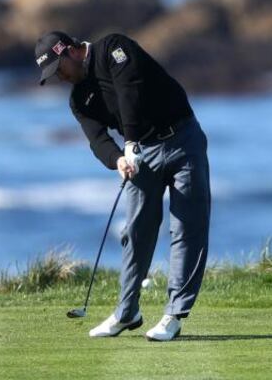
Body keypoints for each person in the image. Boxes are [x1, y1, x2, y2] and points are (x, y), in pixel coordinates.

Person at [34, 30, 211, 342]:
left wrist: (129, 141)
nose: (60, 78)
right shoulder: (79, 100)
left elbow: (130, 88)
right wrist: (117, 160)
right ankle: (127, 311)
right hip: (141, 154)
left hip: (183, 139)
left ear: (69, 51)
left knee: (186, 226)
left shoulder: (113, 48)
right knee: (136, 231)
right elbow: (97, 140)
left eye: (58, 69)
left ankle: (174, 315)